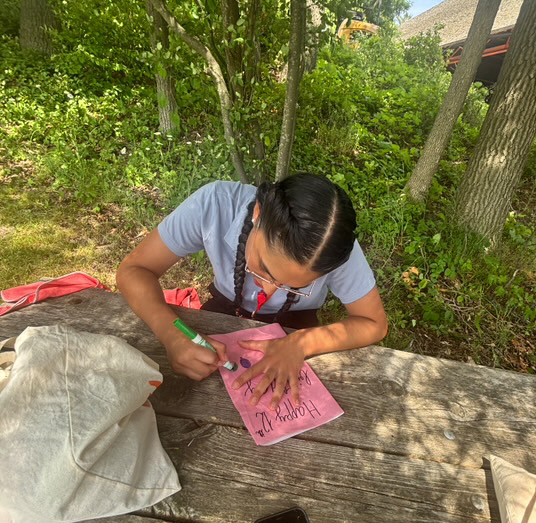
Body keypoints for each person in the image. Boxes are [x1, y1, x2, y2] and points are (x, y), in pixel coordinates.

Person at [116, 173, 388, 409]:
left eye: (296, 286)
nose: (268, 290)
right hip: (224, 309)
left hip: (296, 324)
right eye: (264, 269)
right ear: (258, 214)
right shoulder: (216, 204)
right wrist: (171, 335)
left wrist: (302, 343)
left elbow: (373, 324)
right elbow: (134, 270)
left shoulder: (331, 250)